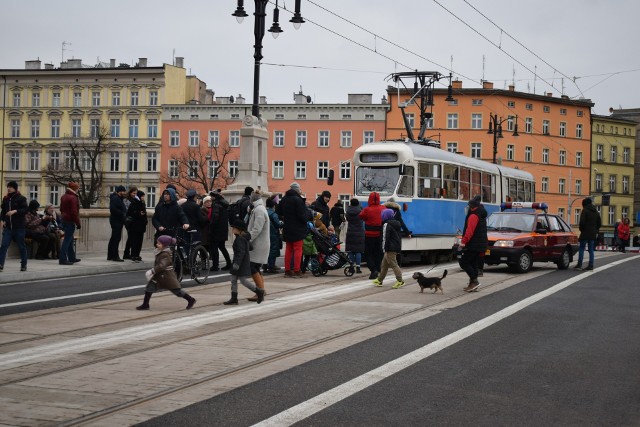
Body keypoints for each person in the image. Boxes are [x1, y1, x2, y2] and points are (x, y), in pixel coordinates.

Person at [137, 235, 196, 310]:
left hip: (167, 277)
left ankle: (190, 299)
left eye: (159, 243)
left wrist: (152, 271)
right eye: (157, 243)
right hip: (159, 276)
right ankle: (145, 304)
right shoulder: (161, 252)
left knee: (177, 291)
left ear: (164, 245)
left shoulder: (165, 254)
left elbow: (162, 266)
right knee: (149, 288)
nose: (157, 244)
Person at [223, 220, 265, 305]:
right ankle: (234, 298)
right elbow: (251, 247)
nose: (232, 229)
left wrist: (237, 264)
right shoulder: (244, 238)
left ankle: (259, 291)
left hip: (240, 263)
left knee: (242, 280)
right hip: (242, 262)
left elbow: (241, 252)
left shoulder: (239, 239)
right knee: (234, 279)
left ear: (239, 229)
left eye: (234, 228)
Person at [276, 182, 312, 278]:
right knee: (298, 249)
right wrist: (308, 216)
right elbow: (302, 215)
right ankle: (297, 270)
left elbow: (278, 211)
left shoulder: (284, 199)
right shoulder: (298, 200)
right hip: (297, 228)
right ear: (297, 190)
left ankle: (287, 271)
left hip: (287, 227)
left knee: (288, 249)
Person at [459, 196, 488, 292]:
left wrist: (463, 242)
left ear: (472, 207)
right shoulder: (481, 214)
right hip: (480, 244)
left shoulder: (473, 216)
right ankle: (473, 283)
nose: (467, 208)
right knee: (473, 262)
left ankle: (474, 281)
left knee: (464, 262)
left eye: (468, 206)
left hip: (473, 244)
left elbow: (469, 231)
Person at [246, 191, 270, 301]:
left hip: (258, 244)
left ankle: (260, 291)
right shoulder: (258, 208)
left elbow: (257, 228)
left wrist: (248, 238)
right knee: (255, 267)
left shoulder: (259, 210)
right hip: (259, 243)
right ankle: (261, 289)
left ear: (252, 199)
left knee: (252, 267)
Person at [0, 181, 29, 272]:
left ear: (15, 188)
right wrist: (2, 220)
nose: (8, 188)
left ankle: (23, 264)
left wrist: (15, 211)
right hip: (8, 227)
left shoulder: (21, 198)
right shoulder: (6, 199)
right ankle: (1, 264)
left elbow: (25, 210)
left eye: (11, 187)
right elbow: (3, 211)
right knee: (4, 245)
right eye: (8, 187)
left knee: (21, 246)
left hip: (19, 227)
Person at [372, 208, 404, 288]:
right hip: (395, 246)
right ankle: (379, 280)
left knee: (394, 264)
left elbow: (385, 237)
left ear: (385, 216)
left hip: (390, 247)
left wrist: (384, 249)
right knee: (384, 265)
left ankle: (400, 281)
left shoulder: (386, 224)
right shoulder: (396, 223)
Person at [359, 191, 385, 279]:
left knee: (368, 253)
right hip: (379, 234)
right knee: (378, 253)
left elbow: (361, 216)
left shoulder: (367, 209)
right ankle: (377, 268)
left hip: (369, 234)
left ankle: (373, 269)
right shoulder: (383, 208)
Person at [574, 197, 601, 271]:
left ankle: (579, 265)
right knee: (591, 249)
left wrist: (581, 229)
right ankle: (591, 265)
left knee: (582, 248)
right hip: (592, 233)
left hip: (585, 232)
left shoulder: (585, 210)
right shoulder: (595, 211)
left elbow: (582, 222)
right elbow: (599, 223)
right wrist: (596, 230)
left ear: (584, 204)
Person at [59, 182, 81, 265]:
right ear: (75, 188)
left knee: (70, 240)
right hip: (70, 221)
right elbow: (74, 212)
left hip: (64, 220)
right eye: (78, 188)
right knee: (67, 240)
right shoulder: (73, 198)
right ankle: (62, 259)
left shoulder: (63, 196)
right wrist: (78, 223)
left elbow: (61, 209)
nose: (78, 190)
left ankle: (72, 257)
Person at [208, 191, 232, 271]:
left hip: (216, 230)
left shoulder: (216, 205)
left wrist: (210, 225)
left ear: (214, 197)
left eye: (211, 197)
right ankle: (229, 263)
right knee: (222, 247)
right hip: (223, 229)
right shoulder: (224, 204)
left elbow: (215, 217)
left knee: (214, 248)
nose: (210, 198)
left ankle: (215, 265)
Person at [107, 185, 128, 262]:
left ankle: (110, 255)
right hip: (116, 221)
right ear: (119, 192)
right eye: (123, 191)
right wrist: (123, 213)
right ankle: (115, 256)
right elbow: (113, 209)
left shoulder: (117, 198)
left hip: (117, 220)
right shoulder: (116, 199)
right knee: (116, 238)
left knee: (114, 238)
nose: (124, 193)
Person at [127, 190, 148, 262]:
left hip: (141, 225)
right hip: (135, 226)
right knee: (135, 241)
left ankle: (137, 254)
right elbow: (130, 213)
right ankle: (133, 255)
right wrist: (139, 213)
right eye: (142, 196)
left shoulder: (142, 202)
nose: (143, 198)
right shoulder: (134, 202)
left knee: (139, 241)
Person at [345, 198, 365, 274]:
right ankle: (358, 267)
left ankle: (351, 266)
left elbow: (347, 219)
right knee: (358, 251)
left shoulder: (348, 211)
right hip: (359, 232)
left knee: (350, 251)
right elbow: (363, 219)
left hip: (350, 232)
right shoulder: (360, 211)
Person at [264, 197, 283, 274]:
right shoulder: (273, 214)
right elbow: (278, 224)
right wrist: (282, 223)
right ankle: (271, 266)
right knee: (273, 250)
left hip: (266, 233)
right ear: (273, 206)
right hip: (273, 234)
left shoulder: (264, 212)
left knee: (266, 250)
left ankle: (265, 265)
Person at [122, 186, 138, 260]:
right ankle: (127, 253)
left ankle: (127, 253)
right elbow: (126, 211)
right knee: (131, 237)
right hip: (129, 221)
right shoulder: (126, 200)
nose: (134, 194)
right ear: (130, 192)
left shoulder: (135, 199)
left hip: (134, 221)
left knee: (131, 238)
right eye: (133, 193)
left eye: (136, 193)